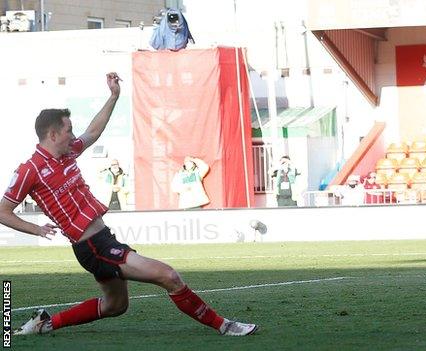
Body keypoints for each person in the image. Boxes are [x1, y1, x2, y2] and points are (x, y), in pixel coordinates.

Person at [2, 73, 257, 336]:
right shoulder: (29, 170)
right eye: (68, 130)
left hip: (102, 239)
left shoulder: (67, 152)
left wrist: (113, 96)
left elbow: (93, 132)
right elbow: (3, 212)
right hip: (91, 246)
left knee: (115, 305)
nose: (73, 135)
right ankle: (224, 325)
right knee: (169, 276)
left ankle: (46, 324)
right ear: (53, 134)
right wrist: (36, 229)